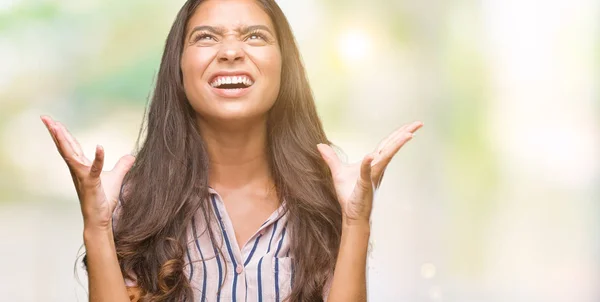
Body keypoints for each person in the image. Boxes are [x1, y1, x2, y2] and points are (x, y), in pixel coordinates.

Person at [40, 0, 423, 301]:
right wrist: (98, 225)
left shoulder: (328, 199)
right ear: (179, 67)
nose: (230, 52)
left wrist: (356, 221)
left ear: (285, 66)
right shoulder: (134, 202)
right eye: (206, 37)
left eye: (254, 36)